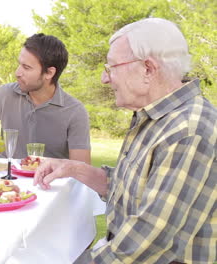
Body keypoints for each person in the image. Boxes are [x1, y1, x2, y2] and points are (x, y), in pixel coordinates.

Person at [34, 18, 216, 263]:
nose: (104, 79)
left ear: (148, 69)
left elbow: (147, 242)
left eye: (111, 68)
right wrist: (72, 168)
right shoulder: (157, 117)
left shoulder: (187, 130)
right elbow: (127, 188)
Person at [0, 33, 91, 163]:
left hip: (48, 182)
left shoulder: (75, 111)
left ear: (49, 73)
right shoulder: (5, 94)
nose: (17, 73)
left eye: (26, 67)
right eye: (20, 64)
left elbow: (81, 168)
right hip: (5, 180)